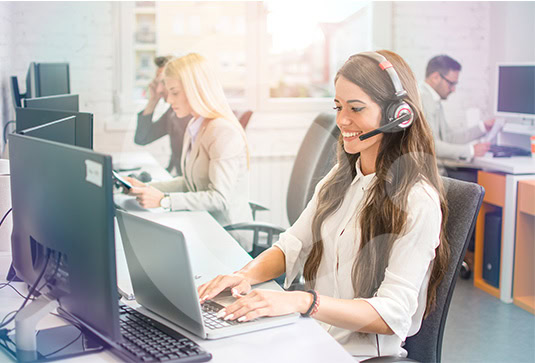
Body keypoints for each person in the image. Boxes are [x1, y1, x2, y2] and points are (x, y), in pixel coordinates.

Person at [197, 50, 450, 359]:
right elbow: (294, 245)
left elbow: (393, 313)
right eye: (338, 106)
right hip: (312, 335)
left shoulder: (416, 201)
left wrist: (305, 301)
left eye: (356, 108)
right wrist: (245, 275)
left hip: (359, 355)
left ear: (399, 115)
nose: (342, 120)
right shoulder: (341, 176)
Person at [126, 53, 253, 252]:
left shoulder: (222, 131)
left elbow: (219, 199)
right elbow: (189, 183)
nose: (168, 99)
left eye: (174, 92)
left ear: (196, 90)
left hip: (228, 235)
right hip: (203, 222)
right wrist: (148, 187)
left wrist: (164, 201)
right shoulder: (195, 124)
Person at [420, 55, 495, 162]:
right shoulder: (422, 98)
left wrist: (482, 127)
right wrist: (470, 151)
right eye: (451, 83)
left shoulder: (433, 99)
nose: (453, 89)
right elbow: (431, 145)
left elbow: (448, 138)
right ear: (435, 77)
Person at [134, 56, 192, 175]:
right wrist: (152, 101)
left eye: (163, 82)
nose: (159, 89)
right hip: (175, 178)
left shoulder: (192, 114)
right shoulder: (172, 112)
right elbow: (142, 138)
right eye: (157, 82)